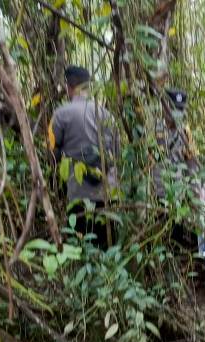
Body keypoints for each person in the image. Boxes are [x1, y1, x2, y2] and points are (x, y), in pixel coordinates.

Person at [48, 66, 120, 248]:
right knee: (107, 247)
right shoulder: (107, 115)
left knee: (81, 246)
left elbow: (51, 152)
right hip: (108, 193)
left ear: (68, 86)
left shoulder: (61, 114)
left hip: (79, 194)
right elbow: (117, 153)